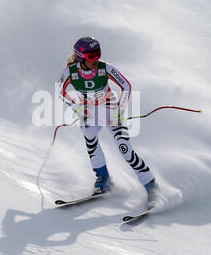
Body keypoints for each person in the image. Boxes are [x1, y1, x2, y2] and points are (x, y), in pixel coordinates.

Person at [57, 36, 161, 208]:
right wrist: (76, 107)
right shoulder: (69, 73)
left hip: (110, 109)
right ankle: (103, 179)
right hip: (89, 111)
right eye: (91, 56)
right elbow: (60, 93)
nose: (96, 59)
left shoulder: (106, 68)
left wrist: (120, 107)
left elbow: (126, 86)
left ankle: (151, 185)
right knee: (89, 135)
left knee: (124, 149)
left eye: (98, 53)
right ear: (81, 57)